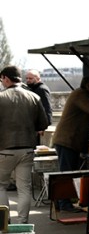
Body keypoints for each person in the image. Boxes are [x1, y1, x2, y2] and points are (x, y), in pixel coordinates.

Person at [52, 76, 89, 213]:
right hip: (67, 140)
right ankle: (64, 203)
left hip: (70, 140)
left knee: (69, 171)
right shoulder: (80, 94)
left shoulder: (80, 94)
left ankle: (65, 201)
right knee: (67, 173)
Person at [0, 66, 51, 224]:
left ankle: (4, 223)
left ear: (6, 78)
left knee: (1, 186)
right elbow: (43, 123)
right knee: (24, 188)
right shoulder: (33, 97)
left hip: (4, 148)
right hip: (27, 148)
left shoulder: (1, 97)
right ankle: (22, 223)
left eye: (1, 79)